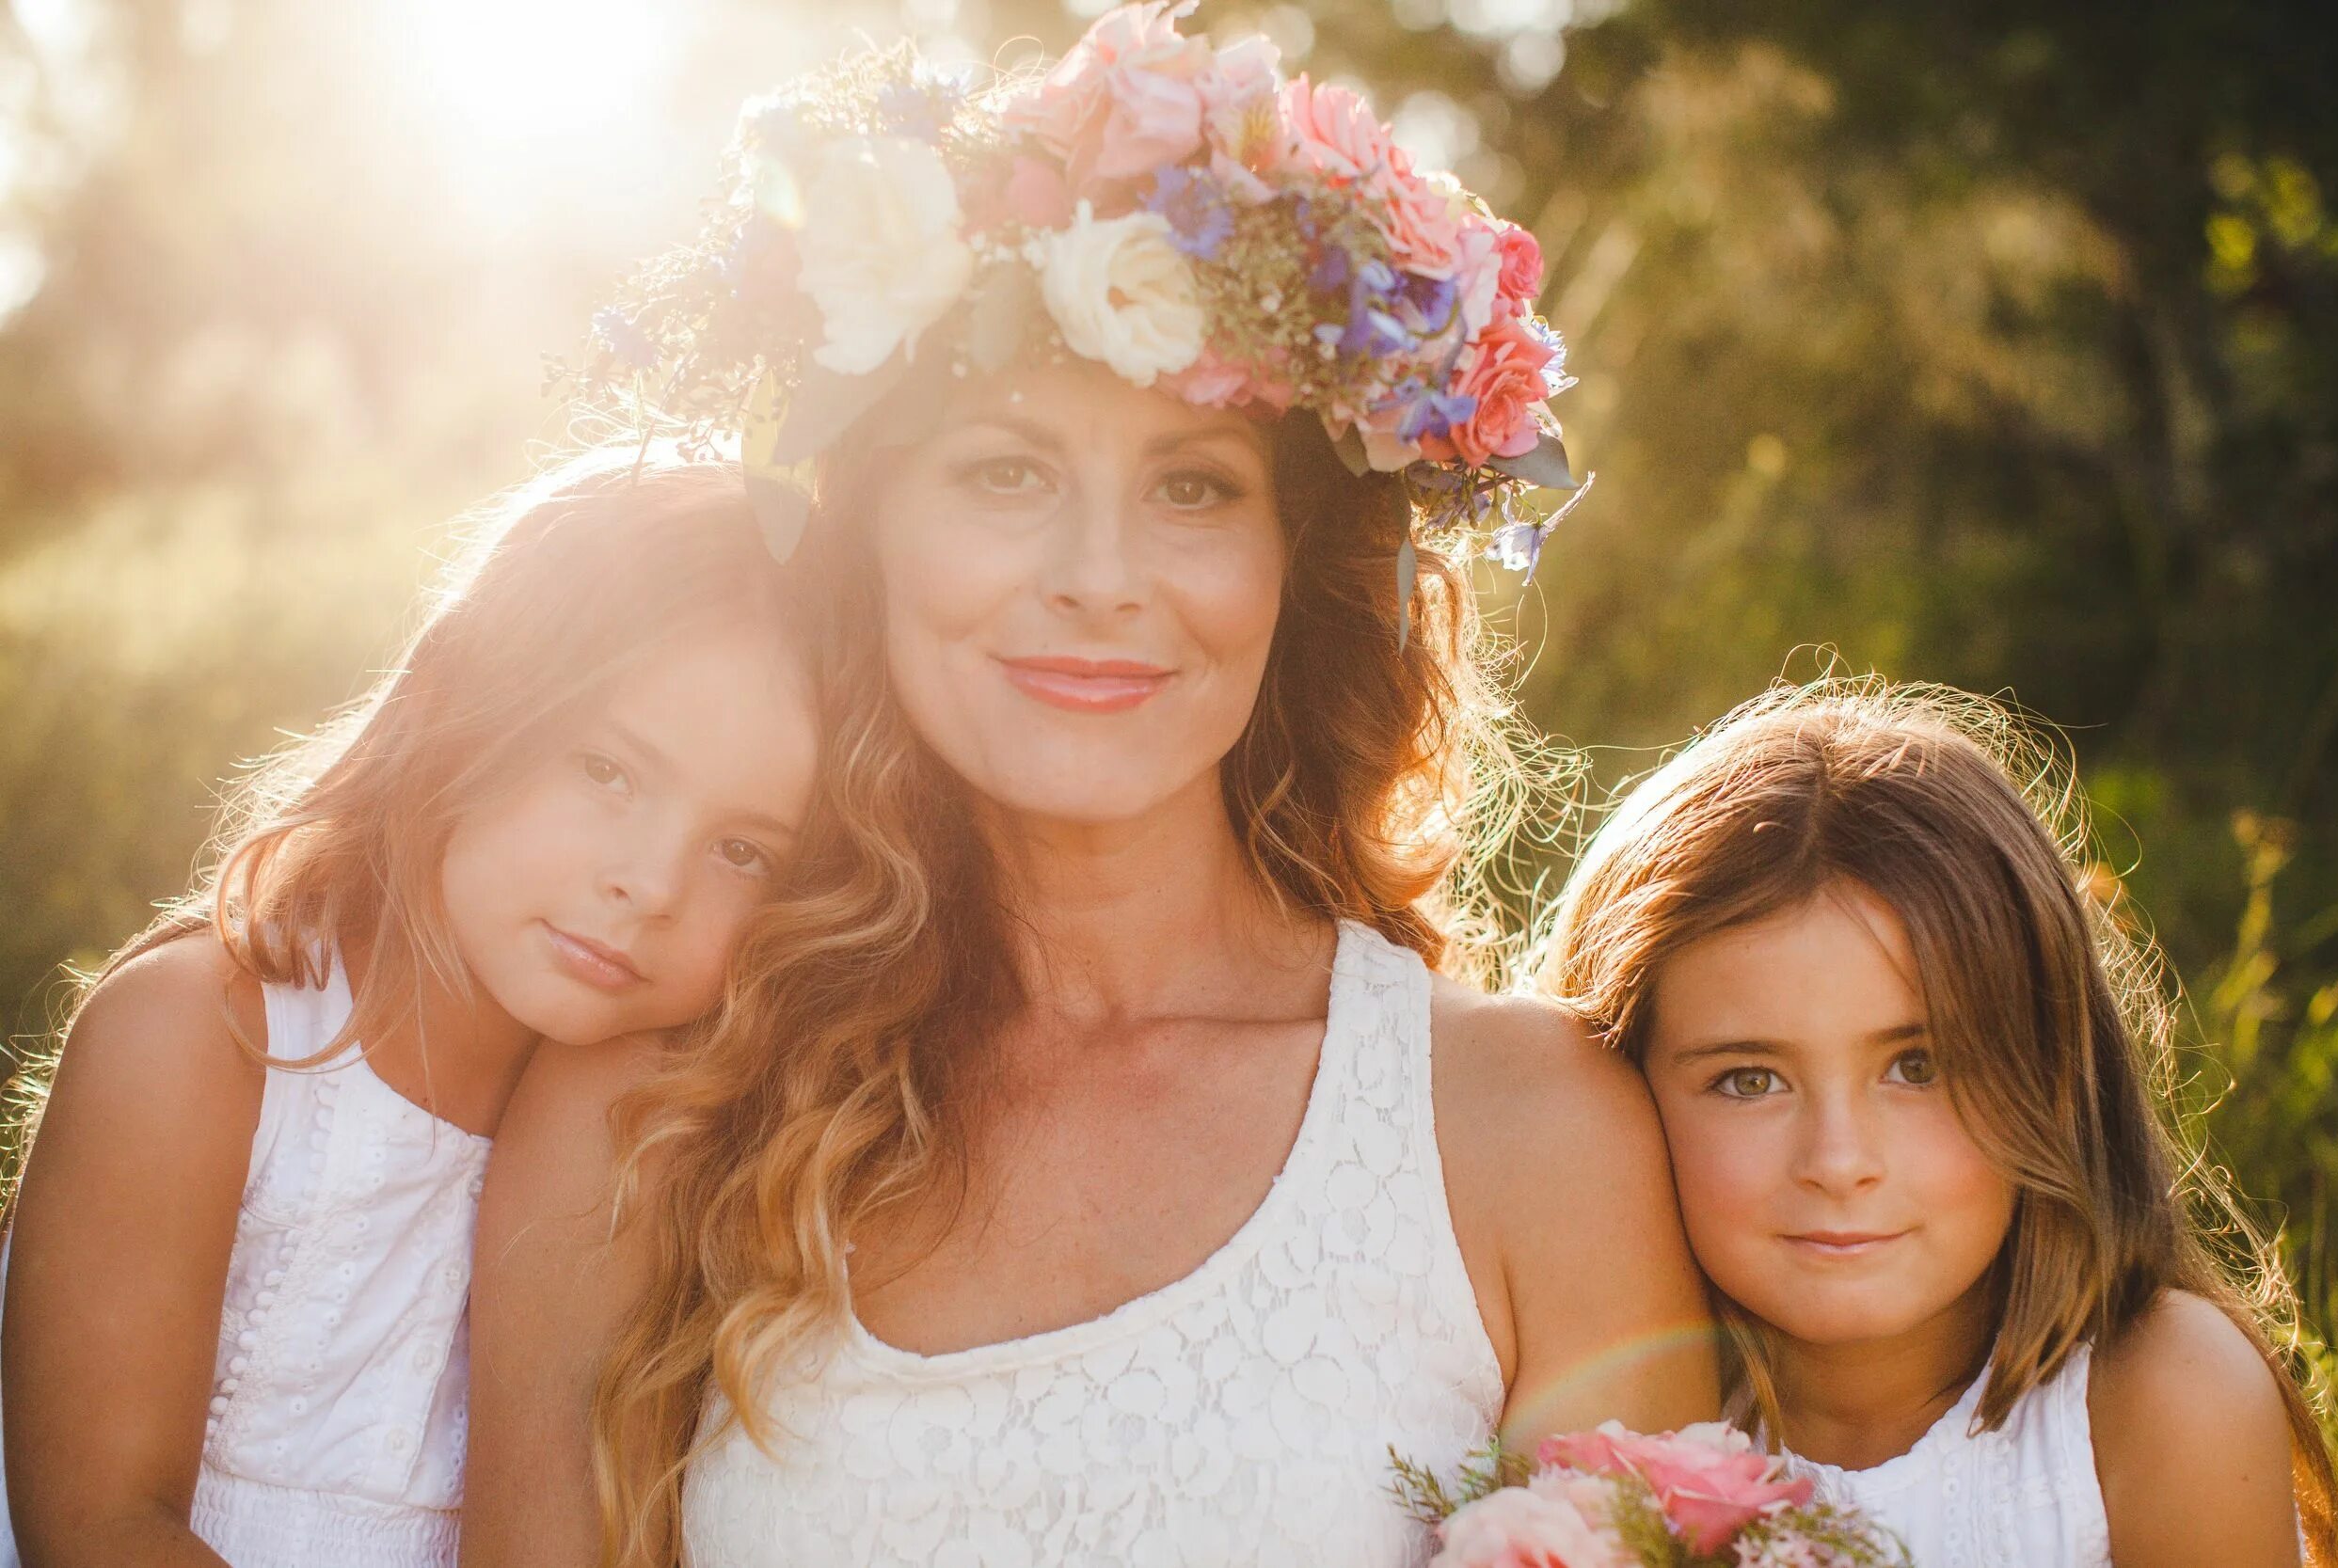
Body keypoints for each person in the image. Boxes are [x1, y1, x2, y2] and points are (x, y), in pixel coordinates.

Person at [462, 8, 1715, 1565]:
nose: (1101, 579)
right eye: (1006, 472)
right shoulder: (648, 1113)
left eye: (1192, 487)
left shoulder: (1524, 1128)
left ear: (1287, 569)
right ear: (870, 537)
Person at [0, 448, 820, 1568]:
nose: (654, 882)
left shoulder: (651, 1117)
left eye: (743, 849)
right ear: (463, 704)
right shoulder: (204, 1037)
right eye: (610, 771)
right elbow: (97, 1526)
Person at [1540, 679, 2338, 1568]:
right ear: (1617, 1091)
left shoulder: (2155, 1400)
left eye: (1917, 1067)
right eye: (1750, 1079)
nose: (1839, 1161)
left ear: (2049, 1067)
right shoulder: (1596, 1417)